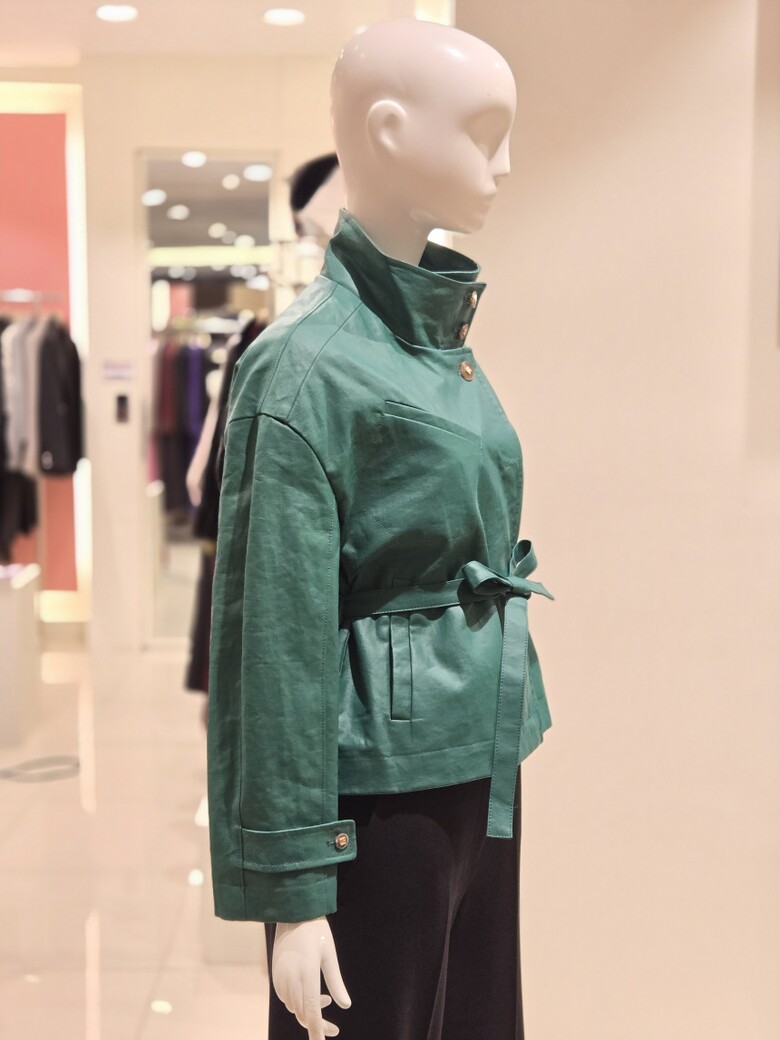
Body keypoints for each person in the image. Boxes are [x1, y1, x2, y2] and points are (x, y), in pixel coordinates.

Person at [207, 18, 554, 1040]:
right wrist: (292, 890)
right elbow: (274, 642)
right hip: (381, 796)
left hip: (478, 756)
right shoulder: (303, 366)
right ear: (391, 131)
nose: (504, 165)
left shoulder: (428, 336)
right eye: (484, 133)